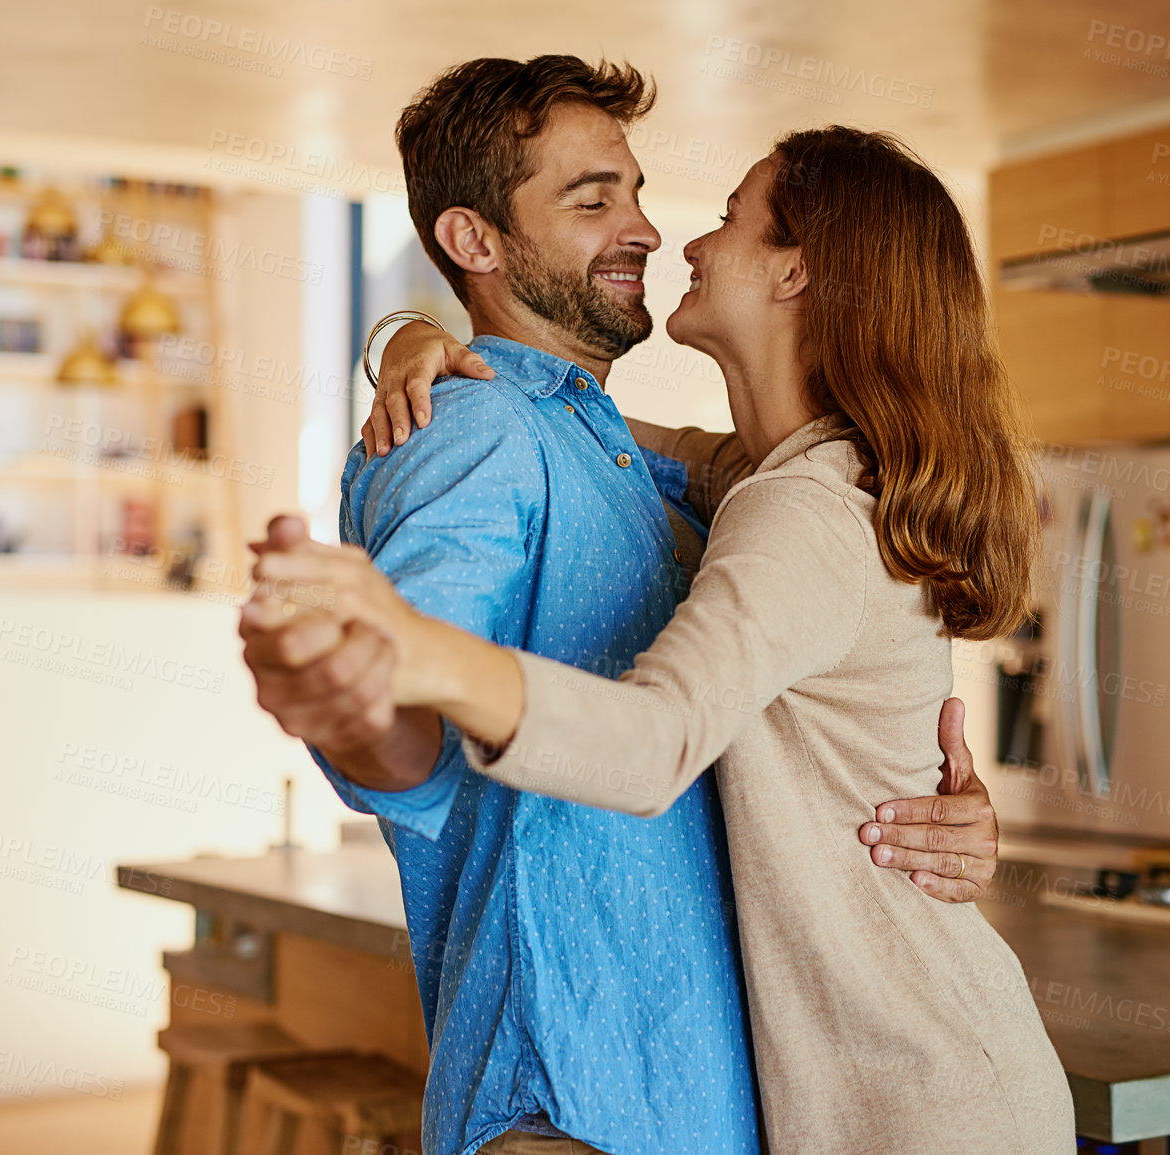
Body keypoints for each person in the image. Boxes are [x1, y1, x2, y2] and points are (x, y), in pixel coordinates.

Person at [239, 57, 1012, 1155]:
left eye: (642, 193)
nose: (656, 231)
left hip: (744, 1095)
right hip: (579, 1096)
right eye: (593, 198)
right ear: (476, 243)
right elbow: (409, 731)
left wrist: (408, 339)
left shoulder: (698, 472)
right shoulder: (479, 435)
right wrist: (360, 689)